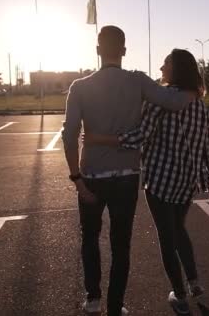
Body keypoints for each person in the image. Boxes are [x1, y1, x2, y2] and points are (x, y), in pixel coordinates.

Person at [61, 26, 194, 316]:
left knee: (90, 238)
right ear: (124, 50)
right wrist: (195, 88)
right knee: (121, 245)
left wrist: (76, 179)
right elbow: (173, 101)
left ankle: (93, 298)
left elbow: (69, 136)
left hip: (92, 177)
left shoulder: (80, 87)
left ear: (98, 50)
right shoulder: (138, 81)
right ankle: (115, 306)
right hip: (126, 177)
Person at [83, 48, 209, 315]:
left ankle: (180, 296)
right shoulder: (199, 104)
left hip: (159, 180)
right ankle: (193, 281)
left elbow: (140, 136)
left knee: (167, 239)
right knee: (179, 229)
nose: (161, 68)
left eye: (166, 63)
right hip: (186, 182)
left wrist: (101, 139)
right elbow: (207, 145)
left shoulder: (161, 102)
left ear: (176, 68)